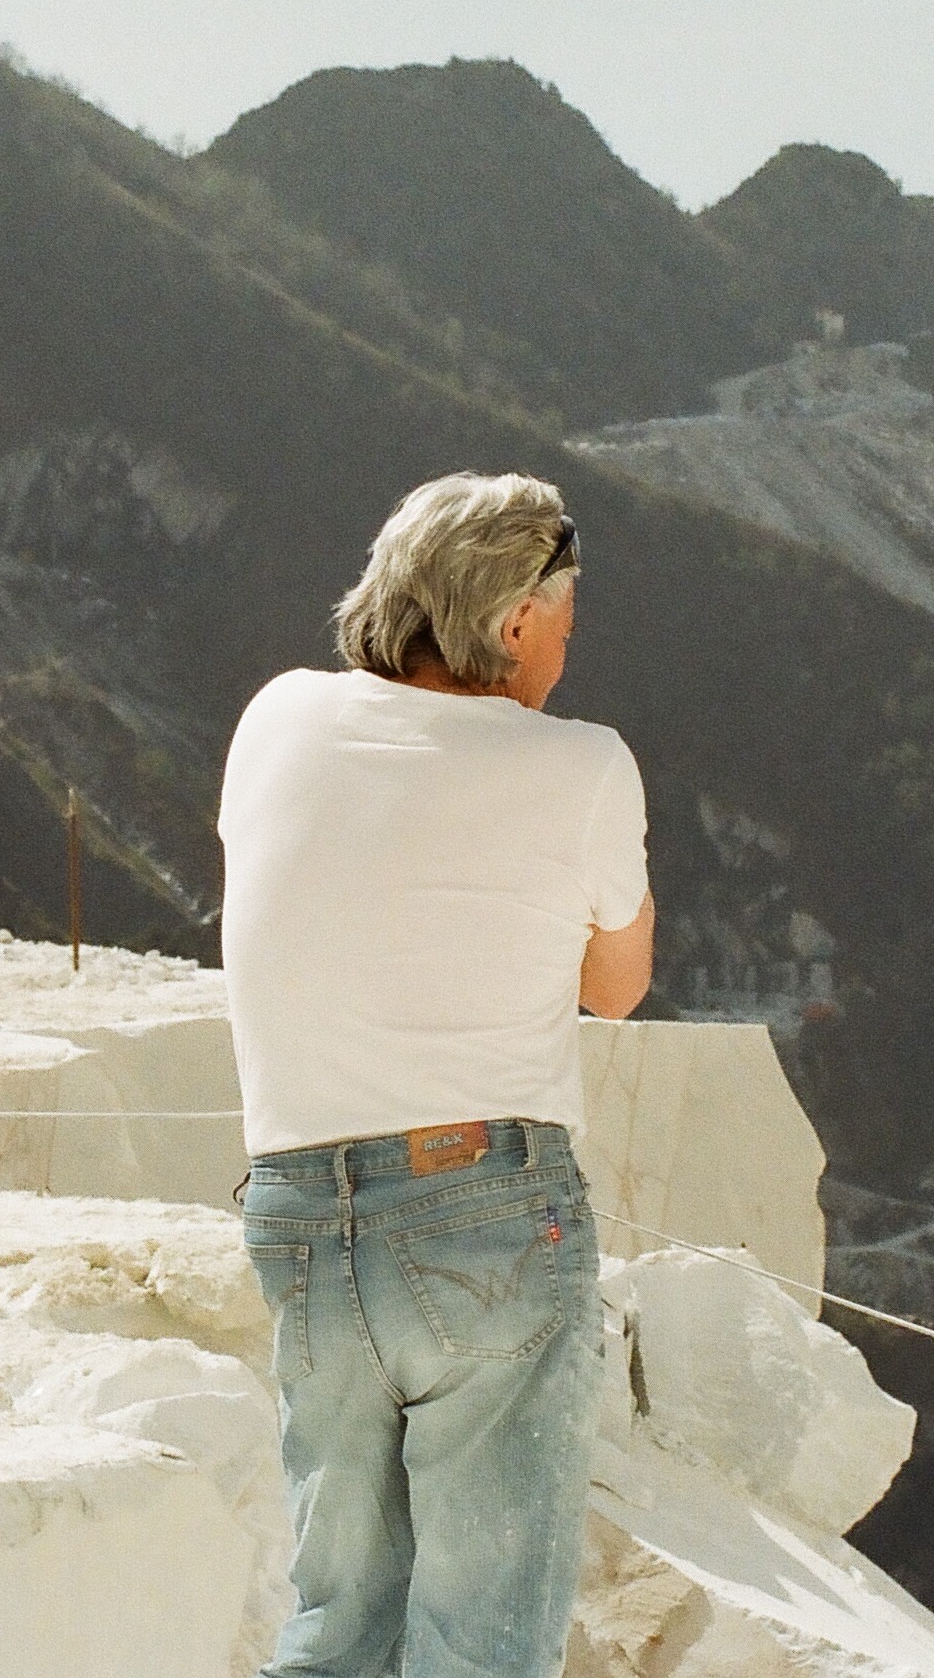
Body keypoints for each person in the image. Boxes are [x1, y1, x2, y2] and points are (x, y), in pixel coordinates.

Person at [220, 471, 653, 1678]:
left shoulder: (277, 718)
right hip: (487, 1211)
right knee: (481, 1639)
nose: (568, 650)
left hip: (301, 1213)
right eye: (563, 621)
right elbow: (615, 985)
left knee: (337, 1623)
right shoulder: (582, 763)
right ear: (516, 621)